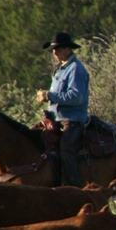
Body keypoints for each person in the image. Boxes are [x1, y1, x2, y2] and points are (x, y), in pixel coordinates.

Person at [36, 32, 90, 187]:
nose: (54, 52)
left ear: (68, 49)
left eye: (57, 49)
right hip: (56, 119)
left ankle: (73, 189)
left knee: (67, 152)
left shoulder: (76, 69)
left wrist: (49, 95)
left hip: (72, 120)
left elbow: (76, 97)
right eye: (53, 49)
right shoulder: (61, 68)